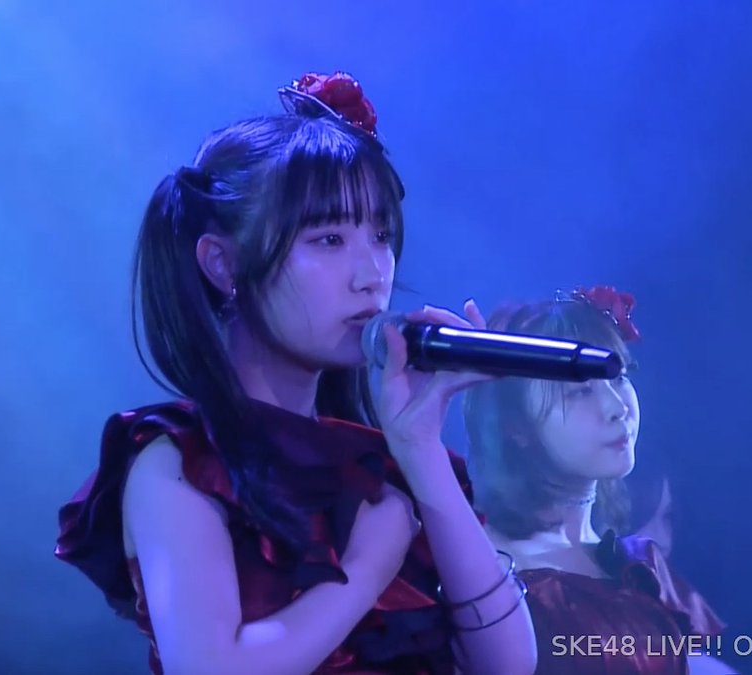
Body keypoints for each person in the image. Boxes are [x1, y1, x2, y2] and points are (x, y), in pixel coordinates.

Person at [54, 71, 537, 674]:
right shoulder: (180, 462)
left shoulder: (383, 465)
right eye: (329, 239)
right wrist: (362, 573)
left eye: (380, 235)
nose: (371, 274)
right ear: (223, 264)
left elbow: (508, 664)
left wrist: (422, 452)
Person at [462, 286, 752, 675]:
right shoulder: (487, 568)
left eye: (618, 377)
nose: (616, 407)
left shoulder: (637, 568)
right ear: (515, 425)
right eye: (580, 391)